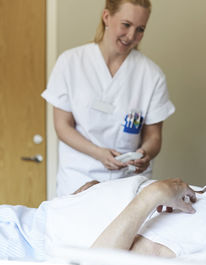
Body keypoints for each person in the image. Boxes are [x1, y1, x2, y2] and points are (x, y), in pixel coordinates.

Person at [0, 149, 206, 261]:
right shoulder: (202, 198)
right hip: (24, 221)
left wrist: (151, 196)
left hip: (24, 241)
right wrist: (94, 194)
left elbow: (98, 263)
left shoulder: (204, 223)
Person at [41, 0, 175, 196]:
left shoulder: (151, 75)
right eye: (126, 25)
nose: (131, 36)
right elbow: (62, 126)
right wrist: (99, 153)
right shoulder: (70, 63)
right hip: (78, 178)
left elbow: (153, 137)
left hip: (128, 183)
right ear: (106, 17)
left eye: (140, 29)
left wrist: (144, 153)